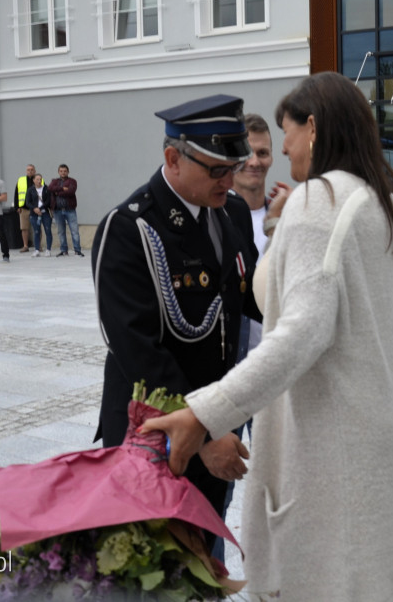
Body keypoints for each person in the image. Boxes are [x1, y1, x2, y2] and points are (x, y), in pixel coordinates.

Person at [142, 74, 393, 601]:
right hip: (376, 426)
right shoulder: (376, 196)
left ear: (313, 128)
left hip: (330, 437)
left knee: (322, 582)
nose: (283, 147)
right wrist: (278, 229)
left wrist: (207, 411)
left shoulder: (319, 199)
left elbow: (302, 331)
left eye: (286, 132)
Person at [91, 94, 261, 547]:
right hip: (157, 425)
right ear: (173, 158)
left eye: (234, 166)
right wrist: (203, 430)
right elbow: (135, 346)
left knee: (207, 532)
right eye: (217, 169)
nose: (231, 179)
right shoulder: (129, 228)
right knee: (158, 553)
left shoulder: (232, 211)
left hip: (216, 416)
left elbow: (252, 296)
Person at [230, 112, 276, 362]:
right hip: (229, 366)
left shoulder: (287, 218)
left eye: (262, 153)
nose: (254, 162)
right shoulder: (215, 220)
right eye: (247, 153)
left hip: (274, 361)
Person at [48, 164, 84, 257]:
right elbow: (50, 188)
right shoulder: (54, 181)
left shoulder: (72, 181)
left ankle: (77, 250)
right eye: (61, 171)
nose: (63, 172)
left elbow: (71, 192)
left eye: (65, 171)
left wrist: (57, 193)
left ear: (68, 172)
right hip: (58, 210)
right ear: (58, 172)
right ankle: (64, 250)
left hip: (70, 210)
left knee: (74, 230)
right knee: (61, 231)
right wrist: (62, 189)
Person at [25, 174, 53, 257]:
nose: (39, 181)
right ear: (33, 180)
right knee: (36, 231)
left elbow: (48, 201)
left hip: (45, 213)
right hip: (34, 214)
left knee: (48, 231)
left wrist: (40, 208)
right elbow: (28, 202)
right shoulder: (30, 190)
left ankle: (48, 250)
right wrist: (34, 209)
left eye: (40, 179)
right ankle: (37, 250)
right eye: (37, 179)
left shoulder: (46, 189)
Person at [15, 164, 40, 252]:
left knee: (37, 227)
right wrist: (17, 207)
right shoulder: (21, 180)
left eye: (32, 170)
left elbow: (44, 193)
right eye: (28, 170)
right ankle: (25, 246)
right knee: (24, 228)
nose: (30, 171)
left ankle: (38, 246)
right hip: (24, 208)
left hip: (36, 208)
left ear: (35, 171)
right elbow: (16, 193)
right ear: (26, 171)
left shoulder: (39, 179)